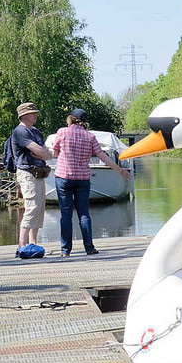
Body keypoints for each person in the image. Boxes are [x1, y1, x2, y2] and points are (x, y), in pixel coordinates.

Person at [51, 108, 132, 257]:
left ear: (70, 119)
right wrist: (121, 171)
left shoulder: (62, 132)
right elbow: (103, 157)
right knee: (84, 214)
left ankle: (65, 250)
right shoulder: (90, 137)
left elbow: (54, 153)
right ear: (84, 122)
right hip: (82, 178)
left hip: (63, 177)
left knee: (66, 213)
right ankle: (89, 247)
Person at [10, 102, 52, 257]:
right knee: (32, 206)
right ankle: (21, 245)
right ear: (23, 115)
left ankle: (33, 242)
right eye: (32, 113)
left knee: (40, 208)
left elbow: (46, 153)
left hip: (39, 174)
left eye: (35, 112)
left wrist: (44, 154)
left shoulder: (36, 132)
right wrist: (43, 154)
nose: (35, 115)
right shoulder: (20, 132)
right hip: (28, 174)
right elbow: (39, 151)